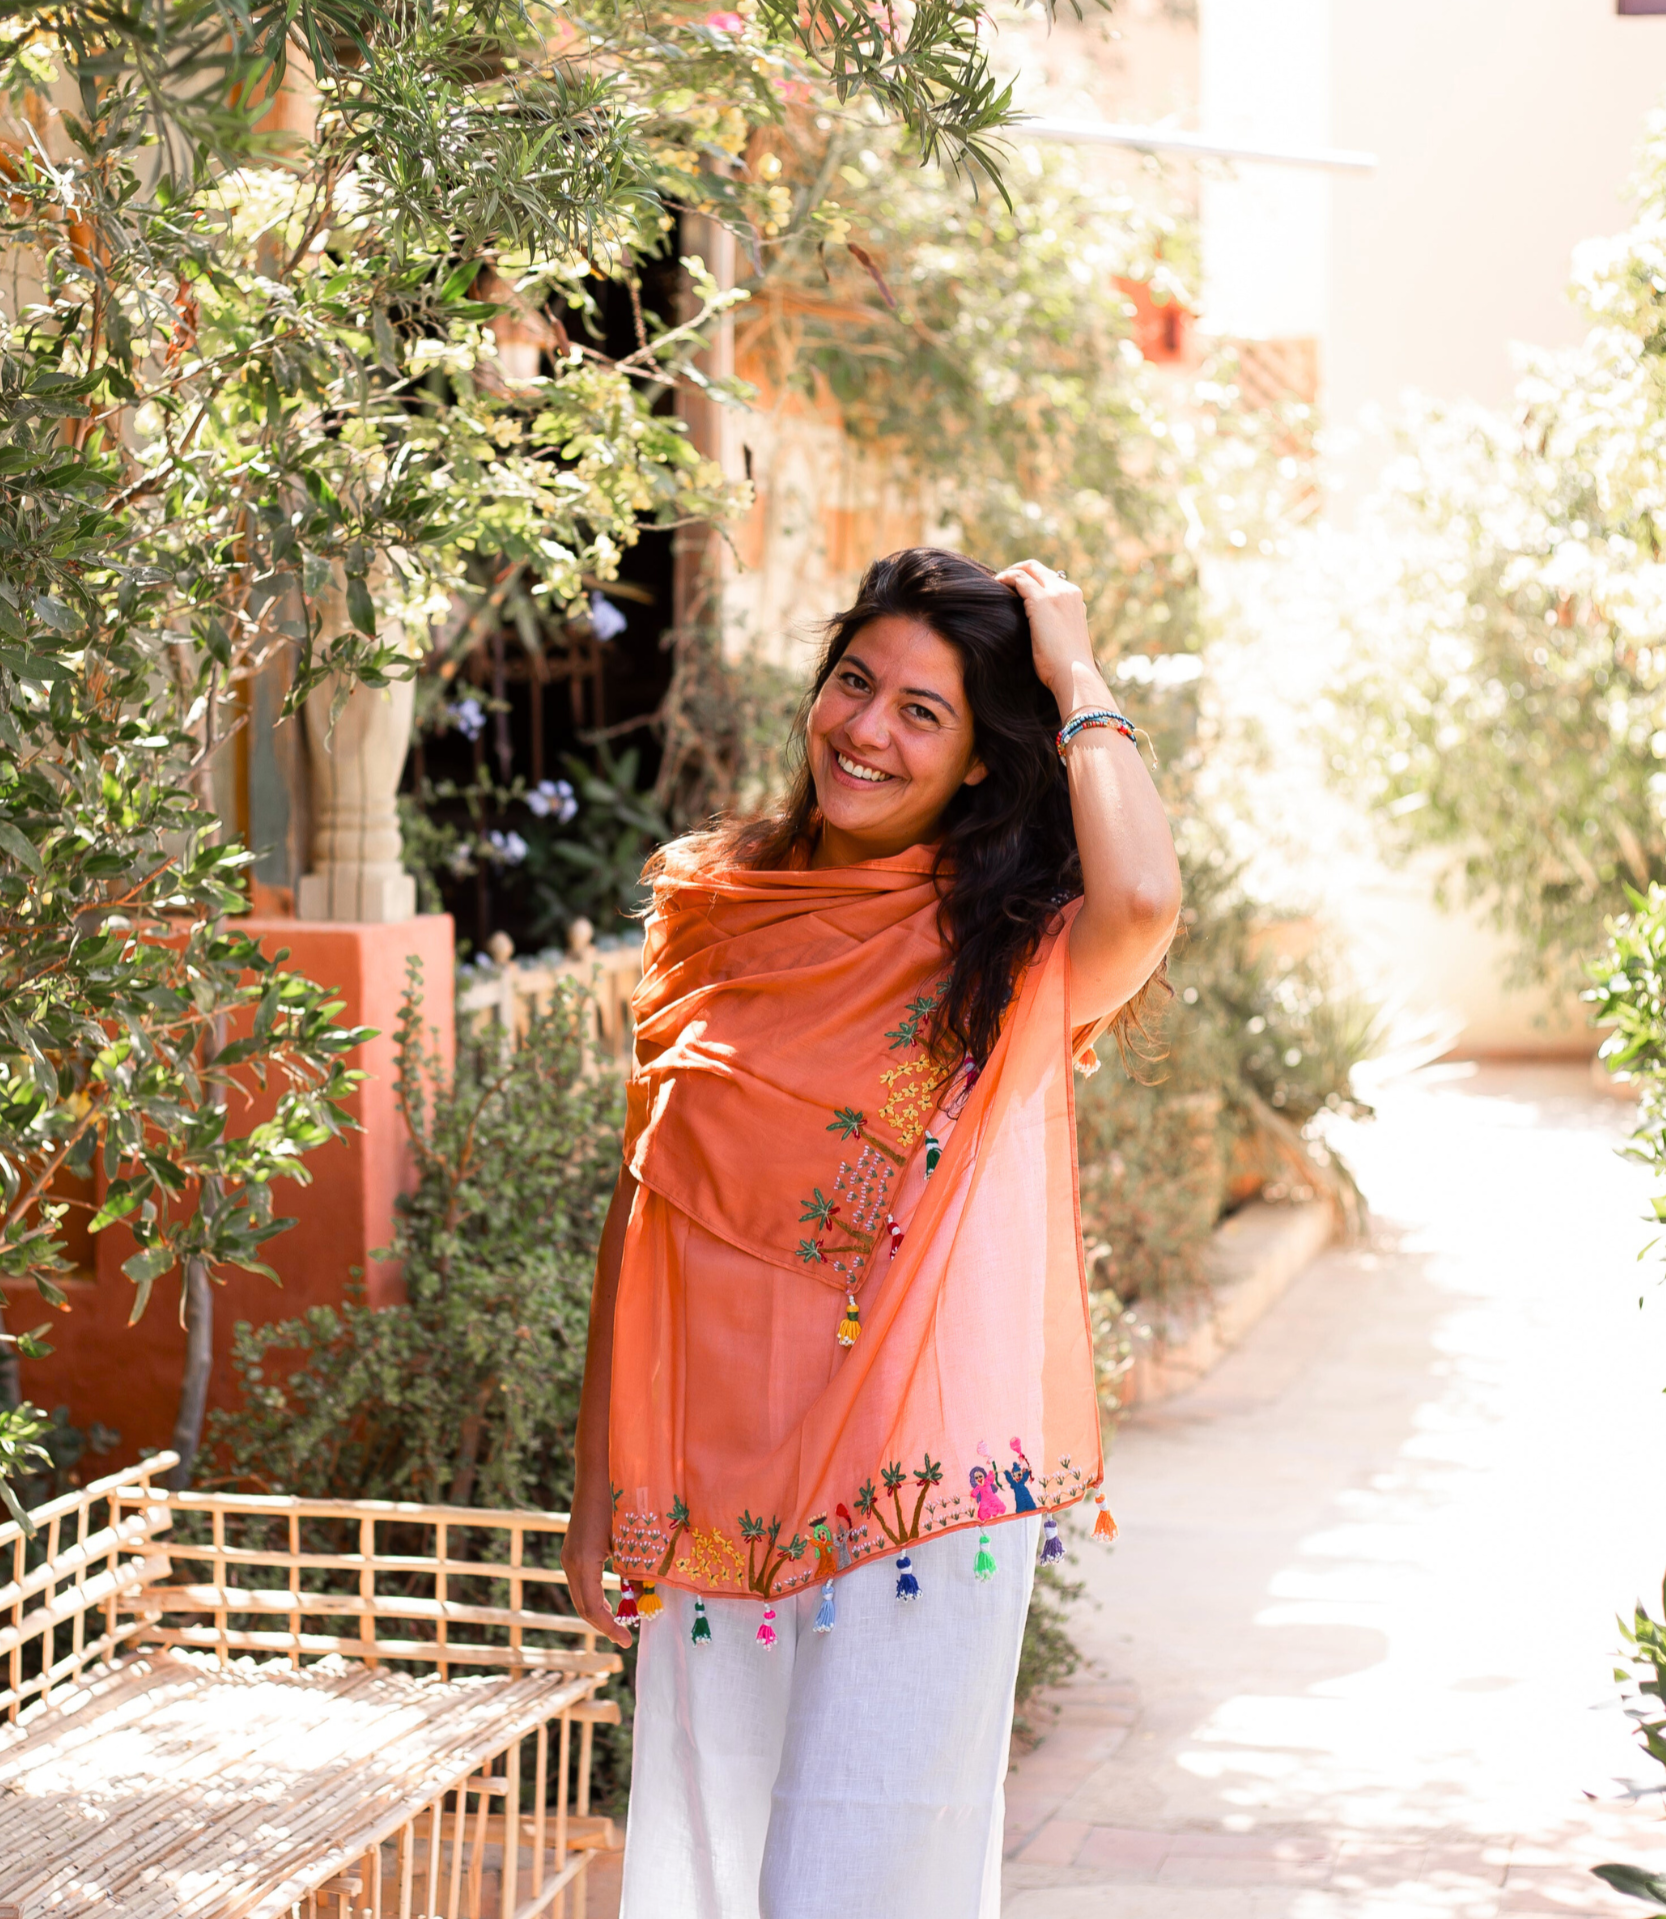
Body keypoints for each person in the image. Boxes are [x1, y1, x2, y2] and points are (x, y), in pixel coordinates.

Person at [561, 548, 1180, 1919]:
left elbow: (1143, 900)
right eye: (854, 682)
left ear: (977, 758)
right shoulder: (715, 908)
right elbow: (644, 1197)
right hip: (712, 1478)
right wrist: (599, 1470)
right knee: (720, 1863)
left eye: (921, 711)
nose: (866, 729)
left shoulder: (1005, 952)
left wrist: (1074, 670)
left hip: (907, 1492)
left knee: (848, 1879)